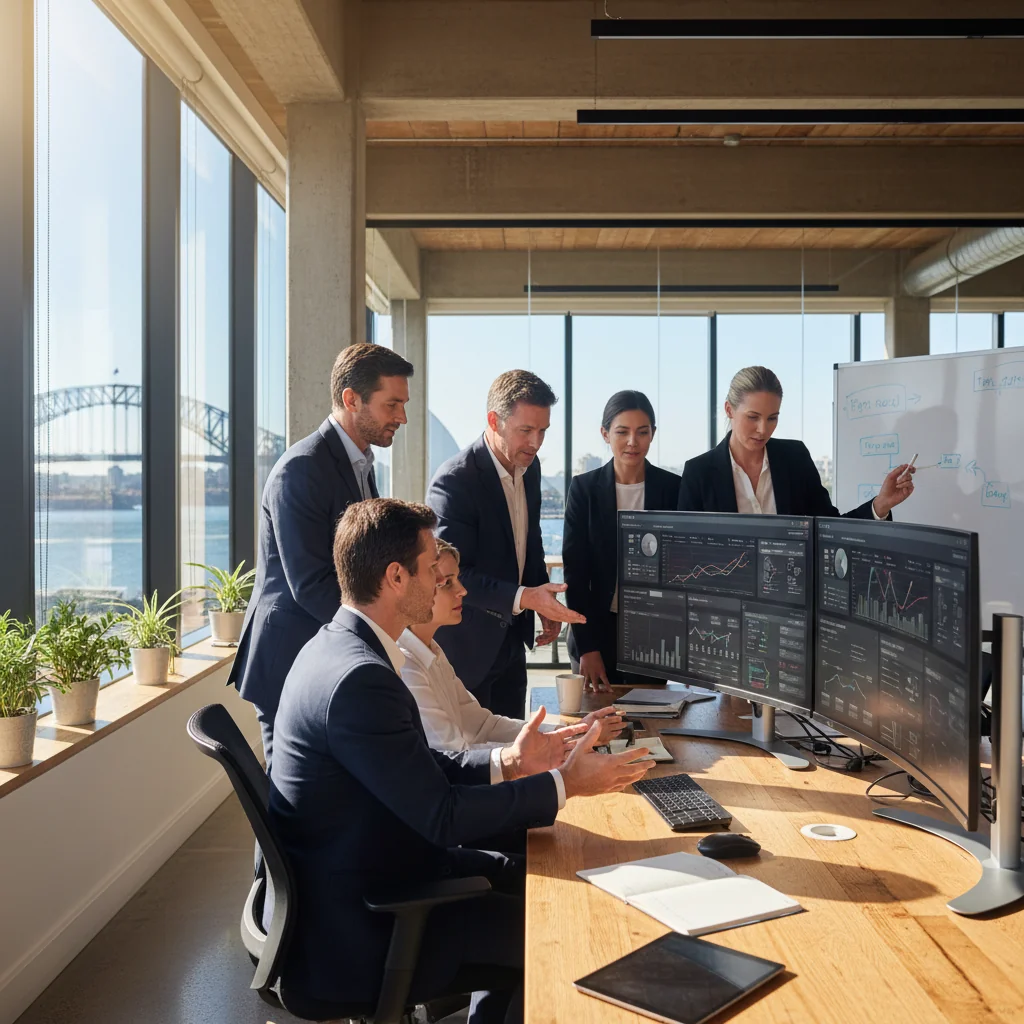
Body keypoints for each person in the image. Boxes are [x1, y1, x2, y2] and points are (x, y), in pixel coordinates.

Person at [269, 498, 653, 1023]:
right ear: (397, 577)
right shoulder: (361, 678)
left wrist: (514, 763)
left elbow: (424, 766)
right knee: (563, 929)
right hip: (368, 925)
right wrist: (566, 785)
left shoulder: (339, 648)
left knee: (547, 880)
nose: (445, 584)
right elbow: (442, 815)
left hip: (379, 874)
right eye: (433, 571)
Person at [230, 342, 414, 766]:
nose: (402, 417)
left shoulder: (362, 465)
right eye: (392, 405)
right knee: (286, 805)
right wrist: (383, 634)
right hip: (289, 659)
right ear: (352, 399)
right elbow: (311, 585)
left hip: (326, 656)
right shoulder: (301, 469)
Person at [427, 370, 585, 719]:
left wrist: (543, 600)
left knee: (514, 754)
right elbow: (454, 574)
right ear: (494, 421)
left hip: (512, 644)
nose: (536, 442)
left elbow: (530, 541)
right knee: (471, 763)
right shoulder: (455, 481)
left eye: (542, 431)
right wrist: (526, 597)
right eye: (525, 430)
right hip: (467, 650)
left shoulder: (530, 466)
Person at [399, 538, 625, 751]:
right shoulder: (406, 666)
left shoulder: (432, 652)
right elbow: (456, 754)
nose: (463, 590)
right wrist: (565, 742)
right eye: (447, 583)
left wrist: (571, 732)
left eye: (457, 579)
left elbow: (485, 726)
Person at [678, 365, 915, 520]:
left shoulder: (795, 458)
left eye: (772, 418)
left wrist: (881, 504)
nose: (763, 430)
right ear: (729, 410)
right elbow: (688, 554)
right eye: (753, 417)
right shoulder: (698, 473)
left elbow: (828, 528)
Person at [562, 390, 681, 692]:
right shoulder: (584, 489)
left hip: (654, 632)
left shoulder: (673, 489)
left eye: (642, 432)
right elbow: (575, 575)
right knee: (598, 723)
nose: (633, 441)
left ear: (653, 434)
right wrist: (587, 647)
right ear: (605, 434)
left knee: (650, 724)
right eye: (622, 432)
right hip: (596, 630)